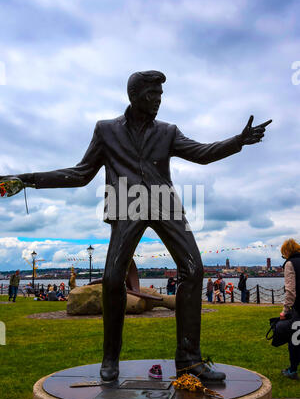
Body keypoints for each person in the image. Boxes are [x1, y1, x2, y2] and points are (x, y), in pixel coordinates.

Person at [0, 70, 271, 382]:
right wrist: (29, 179)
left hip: (164, 202)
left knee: (194, 269)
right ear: (134, 95)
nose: (157, 101)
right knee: (113, 278)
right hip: (126, 204)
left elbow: (202, 153)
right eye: (151, 95)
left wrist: (238, 141)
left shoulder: (168, 131)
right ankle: (110, 358)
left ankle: (189, 360)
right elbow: (80, 174)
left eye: (160, 95)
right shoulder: (105, 130)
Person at [280, 239, 300, 380]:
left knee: (295, 339)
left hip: (299, 308)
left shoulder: (290, 264)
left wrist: (285, 310)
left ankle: (292, 370)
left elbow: (291, 290)